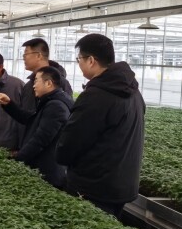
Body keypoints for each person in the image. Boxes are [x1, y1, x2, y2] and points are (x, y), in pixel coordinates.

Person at [56, 33, 145, 217]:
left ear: (91, 60)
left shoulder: (96, 96)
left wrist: (61, 156)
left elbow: (72, 142)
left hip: (93, 186)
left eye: (79, 59)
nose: (78, 64)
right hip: (121, 186)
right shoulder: (134, 92)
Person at [0, 66, 73, 189]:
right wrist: (9, 104)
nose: (33, 86)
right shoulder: (52, 101)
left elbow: (41, 139)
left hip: (47, 172)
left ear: (48, 83)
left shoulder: (56, 106)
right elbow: (31, 119)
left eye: (36, 81)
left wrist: (18, 158)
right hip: (45, 169)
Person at [19, 38, 73, 113]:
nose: (23, 57)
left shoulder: (61, 83)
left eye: (26, 54)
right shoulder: (28, 86)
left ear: (38, 56)